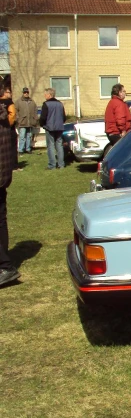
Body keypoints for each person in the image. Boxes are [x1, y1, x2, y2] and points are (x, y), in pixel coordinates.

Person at [0, 84, 20, 286]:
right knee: (1, 220)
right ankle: (4, 264)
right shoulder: (7, 114)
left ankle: (4, 266)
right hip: (4, 175)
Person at [39, 88, 65, 169]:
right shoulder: (60, 104)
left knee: (50, 146)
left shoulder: (46, 104)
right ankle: (61, 164)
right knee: (59, 145)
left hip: (50, 127)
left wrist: (42, 124)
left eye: (45, 94)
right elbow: (64, 116)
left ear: (49, 95)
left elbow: (43, 117)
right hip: (59, 127)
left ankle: (52, 165)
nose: (44, 96)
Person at [104, 83, 131, 148]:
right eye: (124, 91)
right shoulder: (118, 103)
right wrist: (123, 130)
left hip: (112, 132)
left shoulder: (112, 102)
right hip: (117, 133)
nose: (125, 93)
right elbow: (120, 118)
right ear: (120, 93)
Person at [16, 87, 38, 155]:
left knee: (29, 136)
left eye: (27, 92)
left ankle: (28, 149)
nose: (26, 94)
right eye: (25, 92)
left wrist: (35, 118)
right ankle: (21, 150)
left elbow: (35, 110)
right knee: (22, 136)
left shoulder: (32, 101)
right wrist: (18, 119)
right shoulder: (18, 101)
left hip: (30, 122)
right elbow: (15, 111)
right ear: (23, 93)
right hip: (22, 122)